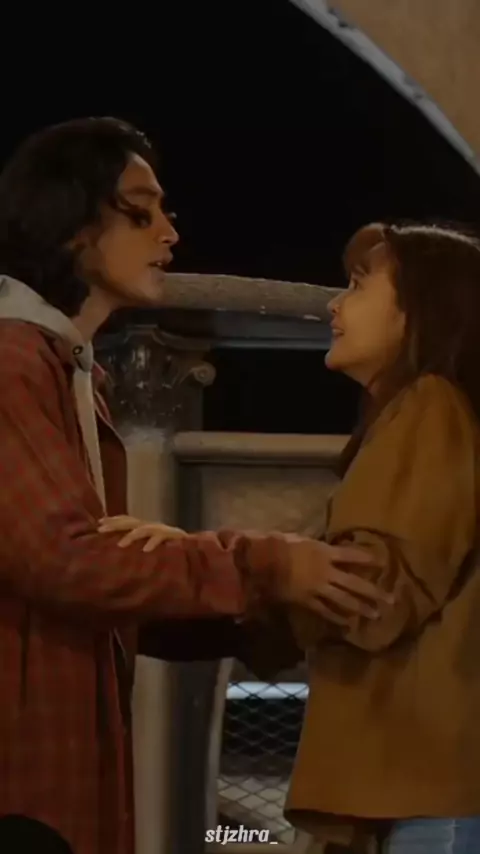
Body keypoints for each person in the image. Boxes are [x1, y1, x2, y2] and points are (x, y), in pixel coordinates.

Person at [0, 117, 389, 854]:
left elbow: (99, 594)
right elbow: (65, 563)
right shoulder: (13, 366)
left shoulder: (69, 372)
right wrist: (264, 564)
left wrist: (264, 607)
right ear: (71, 224)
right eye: (140, 212)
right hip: (28, 782)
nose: (170, 234)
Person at [273, 222, 480, 854]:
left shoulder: (429, 407)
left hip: (430, 797)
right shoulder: (428, 412)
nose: (334, 306)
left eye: (359, 285)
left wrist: (256, 574)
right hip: (428, 791)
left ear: (421, 308)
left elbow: (376, 594)